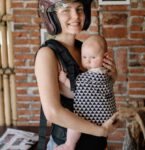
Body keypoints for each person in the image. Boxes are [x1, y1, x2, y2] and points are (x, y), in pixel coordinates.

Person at [35, 0, 118, 150]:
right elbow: (53, 113)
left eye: (79, 9)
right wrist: (102, 131)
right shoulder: (47, 54)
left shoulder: (85, 48)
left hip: (97, 144)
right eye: (66, 10)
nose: (76, 16)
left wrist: (112, 76)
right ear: (52, 15)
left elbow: (96, 93)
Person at [55, 35, 117, 150]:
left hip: (94, 116)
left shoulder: (89, 77)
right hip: (108, 117)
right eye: (84, 57)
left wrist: (64, 80)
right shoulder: (108, 73)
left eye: (93, 57)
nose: (88, 61)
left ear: (105, 57)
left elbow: (76, 87)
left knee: (74, 123)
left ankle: (69, 145)